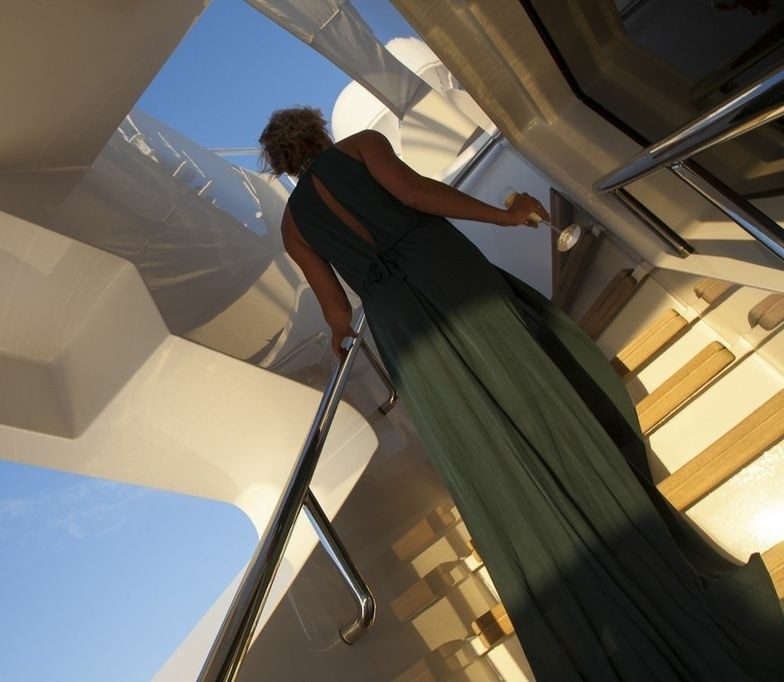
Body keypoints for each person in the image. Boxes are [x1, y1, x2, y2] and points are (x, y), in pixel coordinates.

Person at [259, 106, 784, 680]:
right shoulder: (360, 146)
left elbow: (337, 311)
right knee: (532, 380)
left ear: (282, 164)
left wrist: (344, 341)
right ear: (317, 131)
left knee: (481, 435)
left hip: (400, 323)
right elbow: (415, 194)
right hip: (445, 271)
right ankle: (601, 483)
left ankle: (554, 541)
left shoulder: (292, 227)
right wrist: (504, 216)